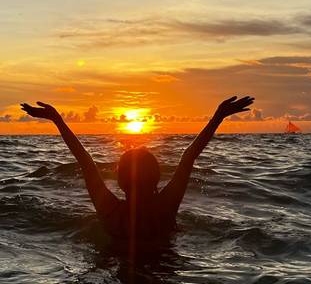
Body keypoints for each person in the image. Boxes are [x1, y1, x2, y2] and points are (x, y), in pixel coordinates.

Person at [20, 95, 254, 244]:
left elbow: (85, 161)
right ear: (156, 177)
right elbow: (188, 157)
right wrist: (218, 117)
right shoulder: (165, 207)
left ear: (121, 181)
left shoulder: (110, 211)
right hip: (164, 268)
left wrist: (57, 120)